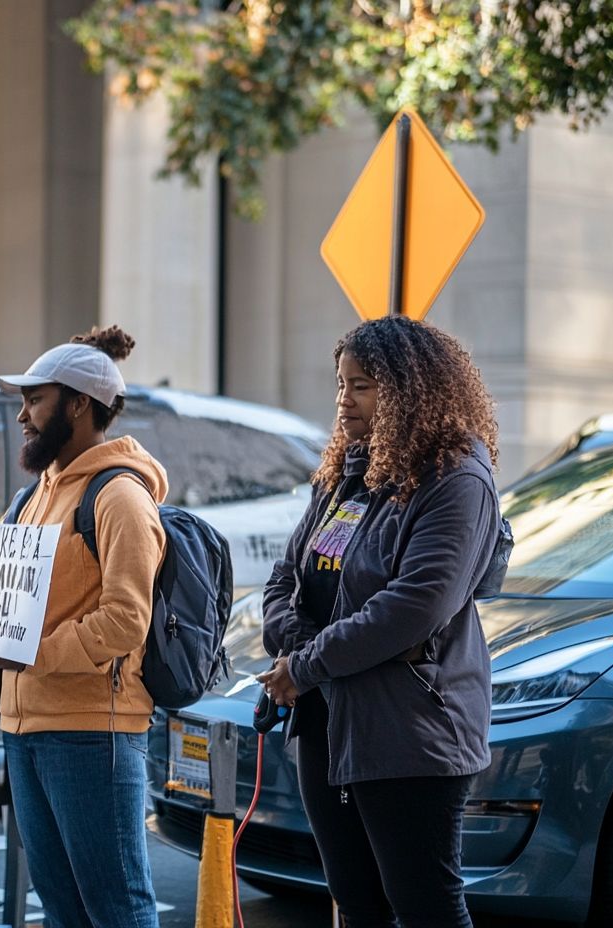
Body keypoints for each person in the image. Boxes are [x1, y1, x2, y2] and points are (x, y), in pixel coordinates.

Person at [260, 315, 501, 928]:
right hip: (329, 721)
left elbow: (414, 605)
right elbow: (285, 578)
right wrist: (298, 654)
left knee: (425, 906)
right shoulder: (349, 474)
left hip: (409, 732)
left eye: (362, 385)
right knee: (356, 903)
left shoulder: (456, 478)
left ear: (410, 389)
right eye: (341, 384)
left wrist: (306, 664)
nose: (344, 401)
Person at [0, 325, 166, 928]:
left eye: (35, 400)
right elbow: (12, 608)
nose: (22, 417)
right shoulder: (31, 497)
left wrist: (24, 653)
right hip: (24, 726)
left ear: (79, 405)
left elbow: (125, 620)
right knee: (63, 910)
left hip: (93, 731)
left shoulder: (120, 497)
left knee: (116, 908)